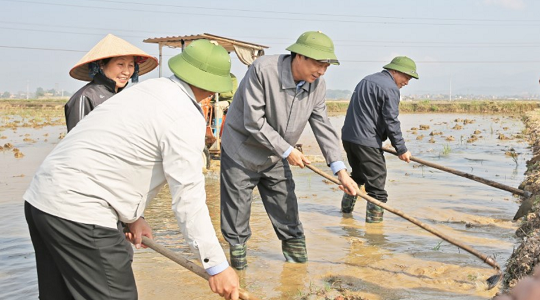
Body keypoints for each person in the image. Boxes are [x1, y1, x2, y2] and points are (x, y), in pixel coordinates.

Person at [24, 39, 239, 300]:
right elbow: (188, 199)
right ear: (214, 84)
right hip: (81, 212)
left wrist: (133, 217)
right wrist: (216, 265)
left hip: (41, 201)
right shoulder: (184, 116)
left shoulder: (148, 90)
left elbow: (114, 159)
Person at [220, 30, 358, 270]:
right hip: (241, 151)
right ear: (299, 56)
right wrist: (288, 151)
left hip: (274, 155)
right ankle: (238, 275)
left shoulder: (318, 86)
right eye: (318, 63)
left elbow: (323, 126)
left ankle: (297, 273)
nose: (322, 70)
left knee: (287, 210)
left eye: (326, 65)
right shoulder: (263, 70)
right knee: (237, 217)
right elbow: (253, 122)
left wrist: (341, 171)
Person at [340, 56, 418, 223]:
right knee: (377, 189)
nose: (407, 82)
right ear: (395, 71)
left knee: (358, 177)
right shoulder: (390, 88)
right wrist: (401, 149)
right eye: (406, 77)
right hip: (366, 141)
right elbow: (391, 121)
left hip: (349, 138)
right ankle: (374, 234)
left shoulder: (366, 80)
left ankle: (345, 216)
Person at [64, 33, 158, 132]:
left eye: (131, 65)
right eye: (120, 64)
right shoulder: (85, 97)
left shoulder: (122, 96)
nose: (126, 72)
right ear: (101, 64)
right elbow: (78, 141)